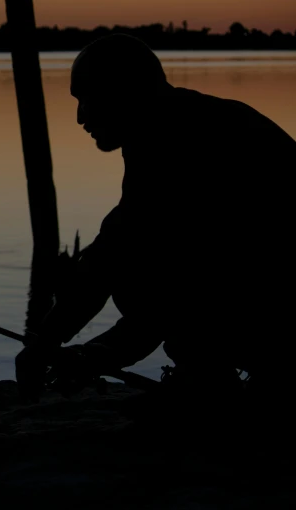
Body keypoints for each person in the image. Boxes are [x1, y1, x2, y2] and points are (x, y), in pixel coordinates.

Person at [15, 34, 296, 410]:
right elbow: (122, 245)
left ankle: (217, 380)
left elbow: (170, 283)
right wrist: (53, 342)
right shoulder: (179, 122)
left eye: (87, 97)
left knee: (136, 276)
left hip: (279, 301)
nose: (81, 117)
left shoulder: (180, 141)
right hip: (263, 294)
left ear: (125, 91)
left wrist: (83, 352)